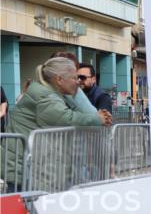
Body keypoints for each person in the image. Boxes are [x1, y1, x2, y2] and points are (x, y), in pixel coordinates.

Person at [4, 57, 111, 191]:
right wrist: (97, 119)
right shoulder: (45, 96)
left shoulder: (47, 91)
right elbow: (65, 118)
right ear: (59, 79)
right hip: (23, 169)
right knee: (28, 208)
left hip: (27, 166)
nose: (78, 82)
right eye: (74, 78)